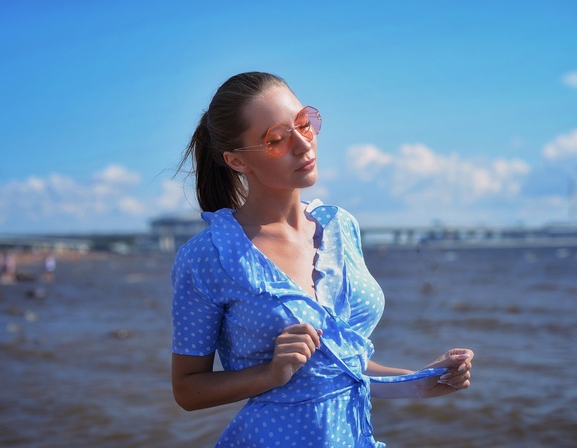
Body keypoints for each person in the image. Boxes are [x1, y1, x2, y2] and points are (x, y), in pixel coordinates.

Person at [171, 72, 474, 447]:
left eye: (304, 124)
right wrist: (270, 374)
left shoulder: (341, 227)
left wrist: (420, 382)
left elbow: (343, 366)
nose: (304, 144)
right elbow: (187, 390)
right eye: (277, 140)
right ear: (236, 161)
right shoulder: (208, 256)